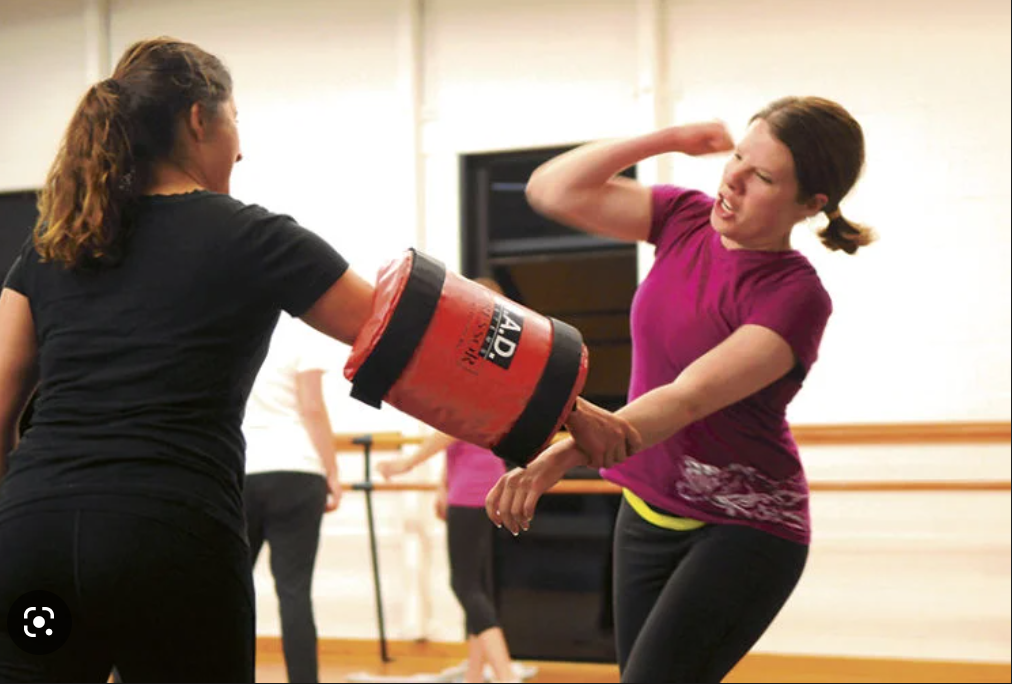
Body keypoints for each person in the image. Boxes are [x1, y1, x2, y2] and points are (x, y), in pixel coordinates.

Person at [0, 37, 374, 683]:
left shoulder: (50, 249)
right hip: (170, 544)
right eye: (234, 121)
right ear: (200, 118)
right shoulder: (255, 236)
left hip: (36, 542)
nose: (240, 146)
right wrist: (563, 408)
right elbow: (406, 341)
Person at [486, 96, 874, 682]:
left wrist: (562, 441)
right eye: (738, 156)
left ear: (811, 203)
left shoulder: (795, 296)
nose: (733, 179)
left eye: (762, 176)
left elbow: (687, 397)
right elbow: (550, 190)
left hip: (744, 525)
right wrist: (667, 138)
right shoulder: (683, 218)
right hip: (647, 507)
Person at [377, 278, 528, 684]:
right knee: (474, 583)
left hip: (476, 489)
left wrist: (407, 463)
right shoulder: (493, 364)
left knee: (463, 585)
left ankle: (504, 673)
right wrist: (444, 485)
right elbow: (462, 437)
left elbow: (453, 426)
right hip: (479, 485)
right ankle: (477, 675)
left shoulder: (478, 366)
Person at [242, 318, 343, 684]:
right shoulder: (301, 332)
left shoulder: (235, 326)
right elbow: (312, 407)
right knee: (295, 591)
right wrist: (332, 472)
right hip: (299, 471)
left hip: (242, 469)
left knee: (234, 592)